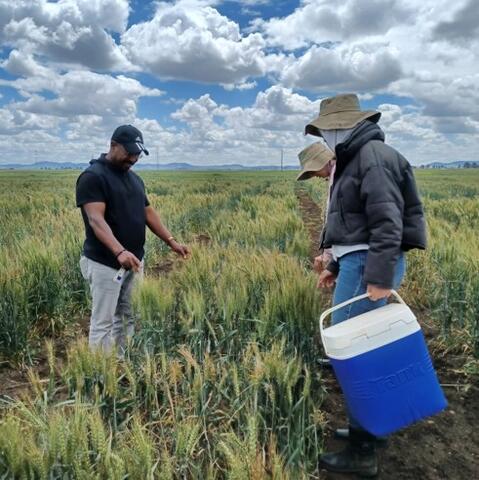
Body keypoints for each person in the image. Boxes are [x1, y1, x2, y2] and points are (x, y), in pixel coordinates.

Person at [305, 94, 427, 477]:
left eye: (326, 131)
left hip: (367, 265)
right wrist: (336, 263)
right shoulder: (363, 156)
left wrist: (375, 277)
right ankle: (369, 430)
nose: (324, 138)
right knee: (364, 349)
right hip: (358, 263)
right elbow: (355, 225)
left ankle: (362, 452)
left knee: (357, 354)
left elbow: (386, 221)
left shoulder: (370, 157)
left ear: (340, 126)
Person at [76, 124, 190, 354]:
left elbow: (147, 212)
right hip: (105, 263)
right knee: (104, 321)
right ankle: (100, 375)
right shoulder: (93, 177)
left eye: (138, 153)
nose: (134, 158)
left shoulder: (135, 179)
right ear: (113, 145)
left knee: (129, 315)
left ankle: (122, 363)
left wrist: (171, 241)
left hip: (135, 261)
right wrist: (119, 252)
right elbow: (96, 220)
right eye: (129, 152)